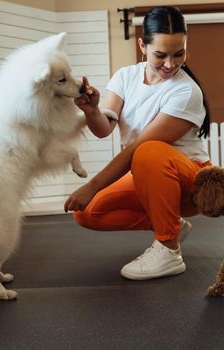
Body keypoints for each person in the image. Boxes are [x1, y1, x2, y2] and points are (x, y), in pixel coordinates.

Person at [64, 6, 211, 280]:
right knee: (88, 213)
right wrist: (92, 110)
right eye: (160, 55)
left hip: (192, 183)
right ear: (142, 46)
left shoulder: (186, 91)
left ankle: (169, 247)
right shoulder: (125, 77)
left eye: (179, 53)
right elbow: (104, 128)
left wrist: (92, 185)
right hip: (147, 173)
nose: (170, 63)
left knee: (147, 150)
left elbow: (137, 148)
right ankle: (171, 224)